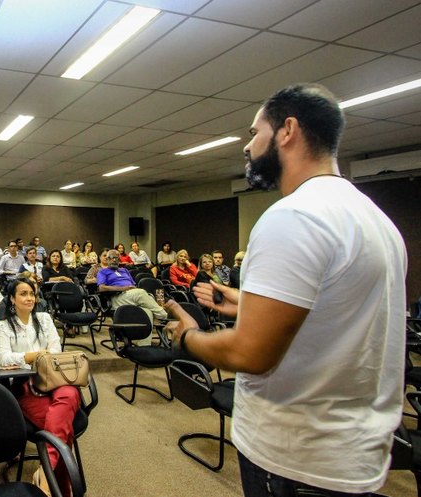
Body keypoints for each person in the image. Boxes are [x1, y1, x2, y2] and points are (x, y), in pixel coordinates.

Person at [167, 83, 406, 496]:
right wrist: (250, 305)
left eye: (254, 132)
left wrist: (187, 337)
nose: (247, 147)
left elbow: (249, 354)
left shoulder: (294, 216)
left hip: (294, 456)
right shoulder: (375, 218)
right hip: (351, 452)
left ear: (287, 130)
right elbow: (335, 312)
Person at [0, 277, 80, 496]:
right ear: (12, 299)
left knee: (71, 392)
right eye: (23, 294)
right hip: (25, 386)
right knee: (63, 430)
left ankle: (45, 473)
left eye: (32, 294)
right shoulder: (3, 326)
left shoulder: (44, 319)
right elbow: (4, 358)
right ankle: (58, 487)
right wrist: (37, 355)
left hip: (54, 379)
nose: (29, 298)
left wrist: (27, 357)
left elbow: (56, 350)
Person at [97, 250, 166, 325]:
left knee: (147, 309)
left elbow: (133, 284)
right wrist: (123, 288)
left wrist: (132, 288)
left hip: (130, 295)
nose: (114, 260)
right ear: (107, 259)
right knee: (141, 293)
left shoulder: (124, 270)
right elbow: (101, 288)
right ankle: (164, 316)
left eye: (116, 258)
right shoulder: (102, 272)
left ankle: (147, 330)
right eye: (111, 258)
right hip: (117, 297)